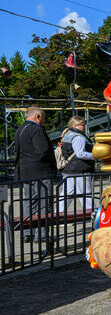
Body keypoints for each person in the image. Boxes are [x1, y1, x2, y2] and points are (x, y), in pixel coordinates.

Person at [14, 106, 57, 247]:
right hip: (41, 172)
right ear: (37, 116)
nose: (44, 121)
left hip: (25, 171)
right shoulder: (37, 129)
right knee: (44, 203)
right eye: (43, 118)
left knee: (29, 202)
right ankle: (42, 235)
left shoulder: (20, 129)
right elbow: (42, 151)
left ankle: (28, 233)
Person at [57, 116, 96, 215]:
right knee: (85, 194)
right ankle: (92, 215)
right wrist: (95, 156)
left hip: (69, 169)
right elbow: (80, 154)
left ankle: (58, 215)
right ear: (76, 125)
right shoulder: (79, 137)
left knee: (66, 194)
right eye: (83, 125)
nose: (84, 127)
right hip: (79, 170)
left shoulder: (67, 135)